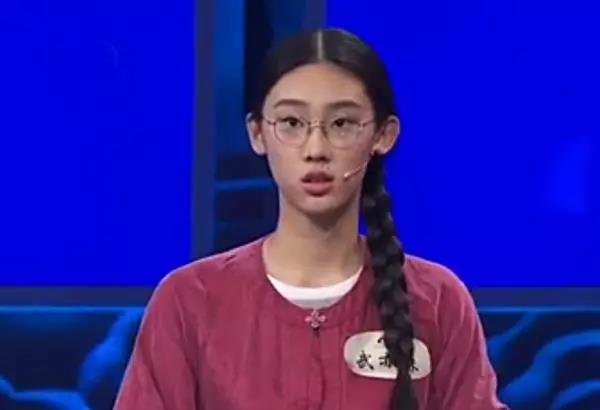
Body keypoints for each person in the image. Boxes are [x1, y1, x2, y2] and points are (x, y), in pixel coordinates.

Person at [114, 28, 508, 410]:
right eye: (291, 123)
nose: (315, 149)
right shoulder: (190, 300)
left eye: (342, 124)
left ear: (383, 135)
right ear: (257, 133)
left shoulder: (438, 301)